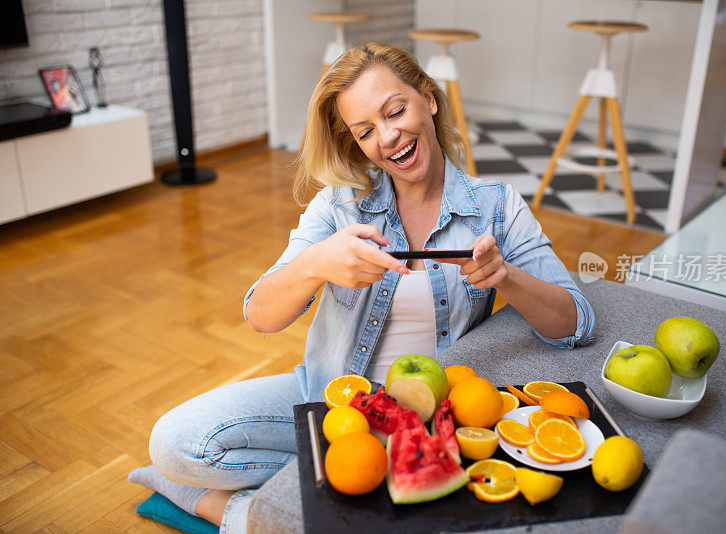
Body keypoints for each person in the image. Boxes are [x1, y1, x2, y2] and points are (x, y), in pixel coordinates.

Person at [128, 42, 595, 533]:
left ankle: (238, 509)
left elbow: (577, 322)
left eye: (395, 111)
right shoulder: (339, 207)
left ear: (428, 99)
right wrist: (317, 263)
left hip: (430, 418)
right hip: (334, 400)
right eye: (365, 131)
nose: (389, 137)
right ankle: (302, 499)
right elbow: (259, 314)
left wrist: (507, 277)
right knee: (175, 443)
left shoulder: (497, 207)